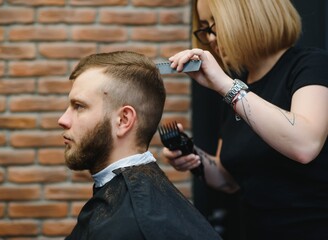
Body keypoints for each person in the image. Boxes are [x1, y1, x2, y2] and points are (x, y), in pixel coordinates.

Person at [163, 0, 328, 239]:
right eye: (205, 28)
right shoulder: (238, 88)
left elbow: (305, 144)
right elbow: (228, 179)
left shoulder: (312, 65)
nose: (210, 38)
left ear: (249, 16)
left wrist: (226, 87)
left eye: (214, 25)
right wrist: (193, 157)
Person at [58, 51, 222, 240]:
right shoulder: (132, 206)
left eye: (79, 106)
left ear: (123, 120)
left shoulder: (130, 227)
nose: (63, 119)